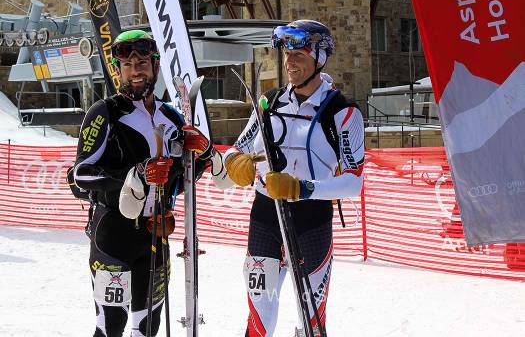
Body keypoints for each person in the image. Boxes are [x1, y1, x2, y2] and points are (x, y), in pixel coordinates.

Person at [72, 29, 221, 337]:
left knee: (147, 327)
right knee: (111, 326)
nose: (135, 70)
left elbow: (189, 174)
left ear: (155, 67)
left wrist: (204, 151)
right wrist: (135, 175)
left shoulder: (172, 115)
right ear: (117, 71)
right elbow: (81, 174)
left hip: (157, 235)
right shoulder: (105, 113)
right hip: (113, 234)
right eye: (127, 65)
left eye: (142, 63)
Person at [224, 20, 365, 336]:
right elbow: (235, 151)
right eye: (286, 53)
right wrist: (237, 165)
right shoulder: (268, 103)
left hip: (311, 222)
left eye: (299, 54)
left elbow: (354, 181)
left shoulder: (343, 111)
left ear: (320, 57)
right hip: (266, 219)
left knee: (311, 323)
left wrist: (302, 188)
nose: (289, 61)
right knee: (260, 318)